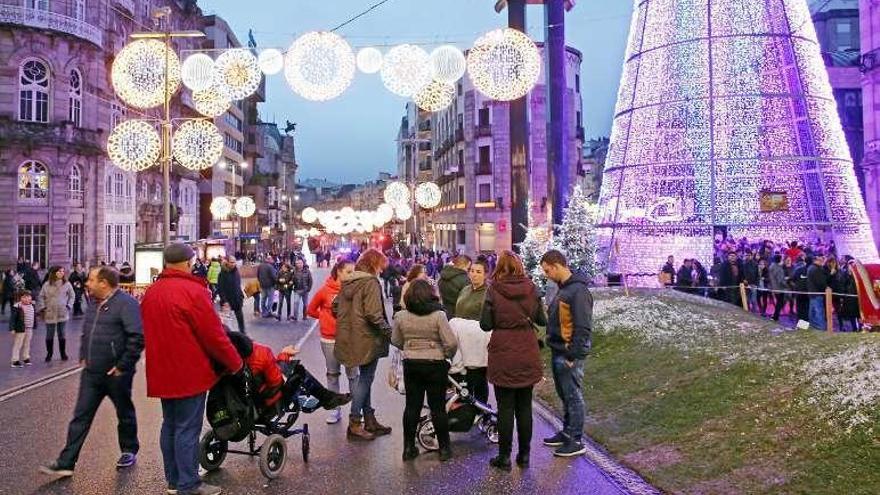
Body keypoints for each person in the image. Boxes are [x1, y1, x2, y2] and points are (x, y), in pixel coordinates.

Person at [141, 243, 243, 495]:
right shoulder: (193, 292)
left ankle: (174, 480)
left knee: (171, 425)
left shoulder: (152, 292)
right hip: (189, 371)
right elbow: (214, 336)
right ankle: (188, 484)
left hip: (162, 370)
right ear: (188, 262)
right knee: (187, 428)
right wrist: (235, 362)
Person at [40, 266, 144, 477]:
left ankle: (129, 450)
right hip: (92, 372)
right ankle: (66, 462)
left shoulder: (127, 304)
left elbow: (137, 337)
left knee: (124, 413)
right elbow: (87, 331)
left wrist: (123, 365)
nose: (87, 283)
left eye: (92, 280)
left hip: (116, 374)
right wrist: (83, 355)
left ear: (104, 283)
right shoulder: (93, 303)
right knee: (80, 417)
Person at [480, 250, 547, 471]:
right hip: (526, 349)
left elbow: (485, 324)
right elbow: (541, 319)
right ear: (519, 266)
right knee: (525, 407)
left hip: (503, 351)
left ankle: (504, 456)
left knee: (505, 407)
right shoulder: (532, 288)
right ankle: (525, 455)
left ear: (499, 267)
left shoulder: (493, 290)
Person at [391, 279, 458, 462]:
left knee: (412, 406)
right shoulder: (439, 315)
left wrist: (409, 347)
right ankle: (444, 448)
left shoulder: (401, 316)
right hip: (435, 363)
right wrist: (446, 354)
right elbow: (451, 342)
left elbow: (395, 340)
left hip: (412, 363)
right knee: (438, 407)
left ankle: (408, 448)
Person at [334, 248, 393, 441]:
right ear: (373, 264)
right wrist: (390, 333)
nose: (382, 271)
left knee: (364, 378)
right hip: (367, 338)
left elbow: (335, 306)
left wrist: (349, 321)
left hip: (351, 337)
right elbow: (373, 314)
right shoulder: (370, 282)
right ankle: (355, 422)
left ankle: (369, 419)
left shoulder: (348, 281)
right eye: (380, 266)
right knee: (365, 379)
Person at [224, 330, 351, 418]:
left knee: (283, 367)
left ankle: (327, 398)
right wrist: (284, 356)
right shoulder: (261, 353)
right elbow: (276, 382)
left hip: (238, 400)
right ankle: (326, 398)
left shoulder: (223, 362)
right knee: (299, 371)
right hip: (266, 400)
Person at [540, 250, 592, 458]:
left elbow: (582, 326)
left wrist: (573, 355)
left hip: (568, 353)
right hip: (559, 350)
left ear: (556, 265)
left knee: (573, 396)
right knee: (566, 396)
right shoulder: (566, 289)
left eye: (547, 270)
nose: (546, 275)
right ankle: (567, 432)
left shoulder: (577, 291)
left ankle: (576, 439)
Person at [308, 260, 358, 424]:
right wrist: (324, 318)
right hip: (329, 339)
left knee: (353, 376)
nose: (353, 275)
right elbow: (311, 310)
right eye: (349, 272)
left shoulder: (354, 291)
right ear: (339, 272)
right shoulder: (324, 291)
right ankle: (335, 410)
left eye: (354, 271)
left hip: (349, 338)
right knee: (332, 375)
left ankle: (356, 411)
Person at [450, 258, 491, 404]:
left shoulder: (488, 292)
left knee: (478, 378)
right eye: (472, 271)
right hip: (462, 342)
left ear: (486, 274)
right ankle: (466, 411)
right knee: (464, 380)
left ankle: (481, 409)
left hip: (478, 343)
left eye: (478, 272)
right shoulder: (465, 289)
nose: (474, 274)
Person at [37, 266, 75, 362]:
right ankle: (49, 354)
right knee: (49, 334)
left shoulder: (67, 284)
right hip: (50, 312)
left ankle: (63, 353)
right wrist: (43, 307)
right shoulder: (46, 284)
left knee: (61, 333)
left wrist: (69, 306)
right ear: (54, 273)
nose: (62, 273)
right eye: (59, 271)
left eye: (63, 271)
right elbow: (41, 297)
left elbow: (72, 295)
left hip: (62, 311)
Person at [217, 256, 245, 333]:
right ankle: (228, 338)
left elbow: (238, 285)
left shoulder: (236, 271)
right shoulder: (222, 274)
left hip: (237, 300)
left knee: (241, 320)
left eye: (234, 262)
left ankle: (243, 335)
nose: (234, 264)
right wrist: (225, 301)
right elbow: (220, 289)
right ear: (227, 262)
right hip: (227, 302)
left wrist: (241, 295)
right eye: (232, 262)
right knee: (227, 323)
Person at [9, 290, 35, 368]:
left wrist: (34, 325)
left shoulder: (32, 305)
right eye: (24, 297)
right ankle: (15, 360)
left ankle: (26, 357)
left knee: (27, 344)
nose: (27, 299)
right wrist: (12, 328)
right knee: (18, 344)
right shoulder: (17, 307)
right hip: (20, 329)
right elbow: (12, 319)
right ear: (20, 298)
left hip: (29, 328)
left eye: (28, 297)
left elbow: (33, 316)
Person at [806, 253, 828, 330]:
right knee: (819, 312)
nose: (823, 260)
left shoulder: (811, 268)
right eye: (822, 258)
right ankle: (821, 328)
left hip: (812, 293)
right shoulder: (816, 269)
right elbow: (820, 283)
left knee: (812, 313)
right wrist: (826, 288)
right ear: (818, 259)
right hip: (817, 294)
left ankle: (813, 327)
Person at [768, 255, 787, 321]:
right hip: (780, 288)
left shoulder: (771, 266)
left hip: (773, 287)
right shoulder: (778, 268)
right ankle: (775, 316)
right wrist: (786, 285)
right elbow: (780, 280)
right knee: (780, 302)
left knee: (779, 302)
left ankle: (775, 315)